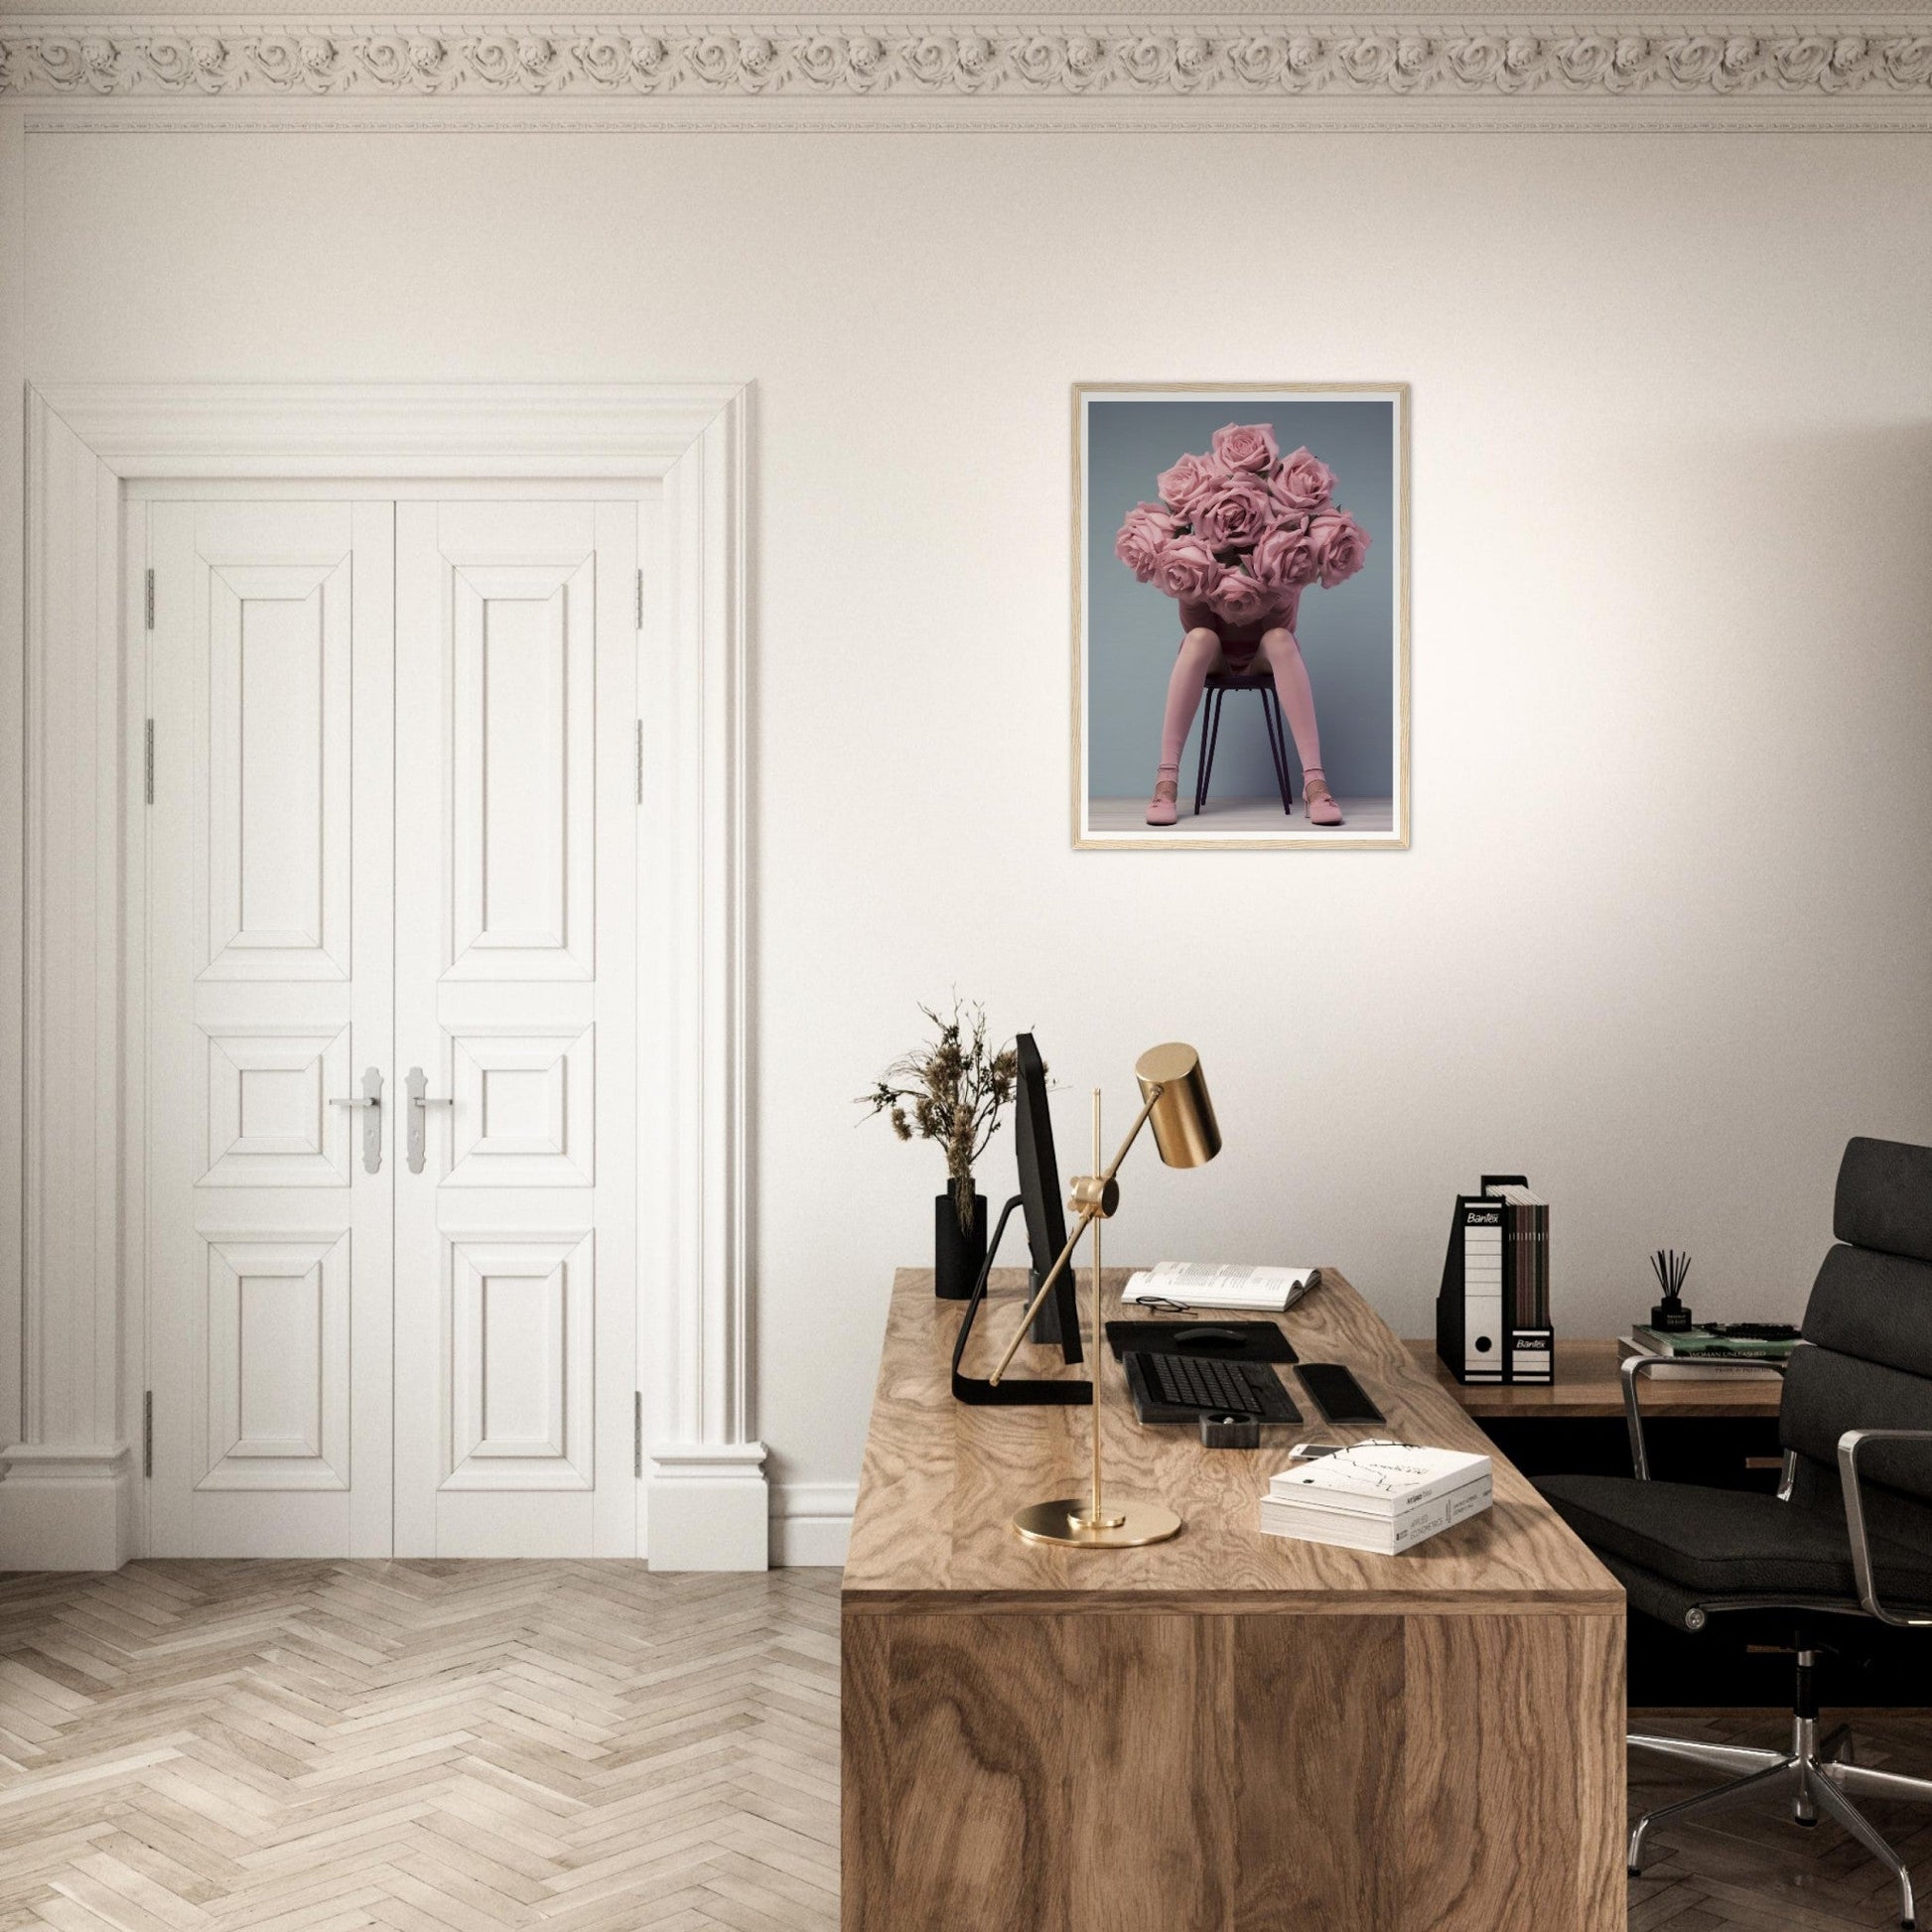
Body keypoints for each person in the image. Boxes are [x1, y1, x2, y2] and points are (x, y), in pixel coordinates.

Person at [1147, 591, 1342, 827]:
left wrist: (1278, 588)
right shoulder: (1205, 554)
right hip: (1214, 657)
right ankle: (1166, 780)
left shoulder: (1278, 555)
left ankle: (1314, 781)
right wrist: (1193, 589)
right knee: (1198, 637)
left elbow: (1281, 626)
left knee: (1280, 637)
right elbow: (1196, 626)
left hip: (1264, 656)